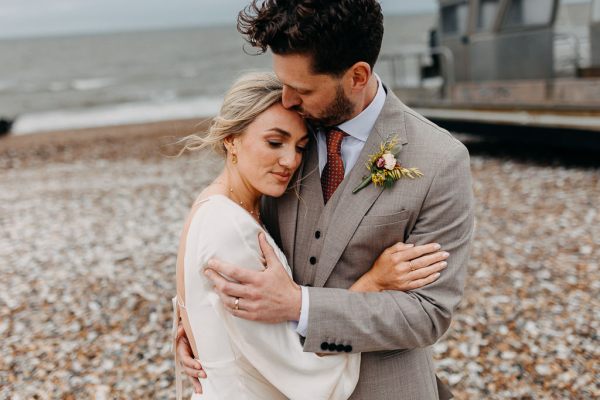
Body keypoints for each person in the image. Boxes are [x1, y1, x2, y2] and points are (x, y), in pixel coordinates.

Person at [178, 0, 475, 398]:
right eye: (281, 82)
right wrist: (203, 326)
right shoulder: (286, 134)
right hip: (280, 384)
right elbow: (232, 229)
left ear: (356, 76)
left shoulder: (440, 160)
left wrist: (299, 305)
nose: (286, 100)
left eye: (301, 89)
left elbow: (428, 314)